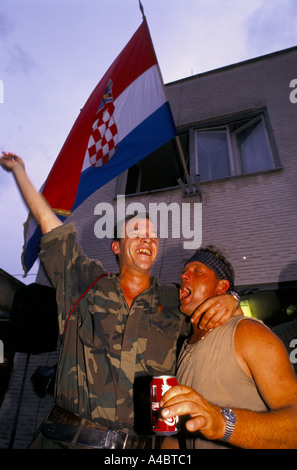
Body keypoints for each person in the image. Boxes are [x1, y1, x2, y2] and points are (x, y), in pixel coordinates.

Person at [0, 152, 240, 449]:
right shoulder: (85, 282)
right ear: (116, 246)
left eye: (153, 237)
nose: (147, 240)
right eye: (136, 232)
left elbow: (211, 304)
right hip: (65, 442)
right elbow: (50, 224)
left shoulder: (174, 299)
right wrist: (20, 171)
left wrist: (231, 298)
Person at [160, 246, 297, 449]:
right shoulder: (184, 345)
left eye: (197, 271)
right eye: (184, 272)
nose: (184, 276)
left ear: (221, 287)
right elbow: (180, 433)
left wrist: (222, 423)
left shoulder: (248, 332)